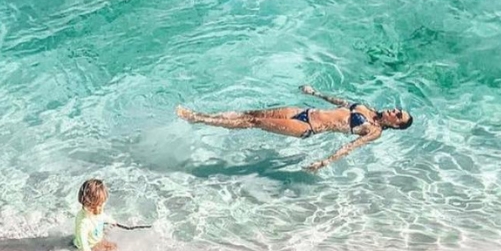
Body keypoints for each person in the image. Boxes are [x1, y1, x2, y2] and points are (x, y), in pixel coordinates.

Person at [176, 85, 413, 171]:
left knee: (254, 123)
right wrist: (315, 93)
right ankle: (203, 117)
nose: (394, 110)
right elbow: (338, 102)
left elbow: (351, 147)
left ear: (396, 125)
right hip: (303, 110)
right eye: (397, 109)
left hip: (305, 126)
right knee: (252, 114)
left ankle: (197, 119)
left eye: (398, 115)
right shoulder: (367, 108)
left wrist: (324, 162)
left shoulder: (374, 131)